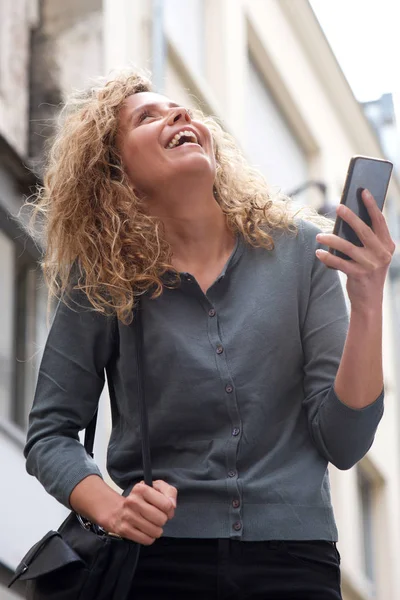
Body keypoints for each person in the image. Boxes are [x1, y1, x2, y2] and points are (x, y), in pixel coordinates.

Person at [24, 69, 394, 600]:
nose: (181, 114)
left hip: (295, 562)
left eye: (183, 109)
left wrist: (367, 302)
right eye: (148, 117)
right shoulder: (101, 279)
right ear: (117, 173)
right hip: (157, 564)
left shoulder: (303, 253)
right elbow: (49, 433)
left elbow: (345, 442)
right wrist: (113, 508)